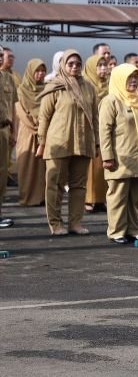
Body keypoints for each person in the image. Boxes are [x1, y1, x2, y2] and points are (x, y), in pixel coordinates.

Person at [36, 49, 98, 236]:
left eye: (78, 64)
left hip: (83, 142)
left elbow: (94, 116)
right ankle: (55, 224)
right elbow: (44, 118)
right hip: (59, 143)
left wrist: (96, 142)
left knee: (79, 186)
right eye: (70, 64)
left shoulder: (89, 87)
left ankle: (75, 223)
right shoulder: (55, 87)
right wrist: (42, 142)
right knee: (54, 184)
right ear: (63, 65)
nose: (74, 67)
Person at [100, 64, 138, 244]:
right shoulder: (111, 101)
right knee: (118, 196)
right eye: (129, 77)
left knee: (134, 197)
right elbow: (104, 130)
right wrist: (107, 156)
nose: (133, 81)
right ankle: (116, 231)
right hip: (121, 158)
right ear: (119, 79)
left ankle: (133, 229)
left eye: (135, 77)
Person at [15, 59, 46, 206]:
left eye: (42, 71)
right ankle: (27, 197)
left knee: (42, 168)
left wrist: (43, 129)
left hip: (43, 134)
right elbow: (21, 113)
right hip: (28, 133)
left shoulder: (47, 90)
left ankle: (41, 197)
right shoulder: (21, 91)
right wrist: (37, 127)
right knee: (27, 166)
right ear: (30, 72)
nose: (40, 74)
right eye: (37, 71)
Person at [83, 55, 110, 213]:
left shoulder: (109, 85)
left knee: (102, 167)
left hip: (106, 130)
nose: (103, 69)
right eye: (99, 66)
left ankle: (100, 199)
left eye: (104, 65)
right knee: (89, 168)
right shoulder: (86, 85)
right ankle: (88, 199)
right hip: (91, 130)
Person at [0, 52, 18, 228]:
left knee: (2, 174)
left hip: (4, 130)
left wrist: (14, 132)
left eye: (0, 55)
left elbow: (13, 106)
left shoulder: (8, 78)